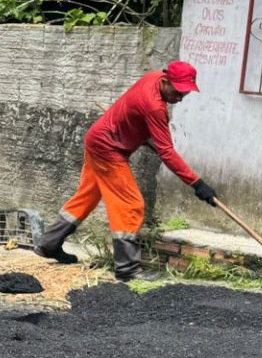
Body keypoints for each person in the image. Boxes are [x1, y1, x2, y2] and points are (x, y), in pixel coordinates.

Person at [34, 60, 215, 281]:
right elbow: (166, 152)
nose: (180, 98)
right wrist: (197, 184)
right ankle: (127, 269)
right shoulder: (155, 106)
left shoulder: (153, 77)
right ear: (166, 81)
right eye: (178, 92)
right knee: (130, 205)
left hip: (97, 139)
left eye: (185, 93)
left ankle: (48, 243)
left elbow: (137, 120)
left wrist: (145, 137)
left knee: (86, 198)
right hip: (108, 150)